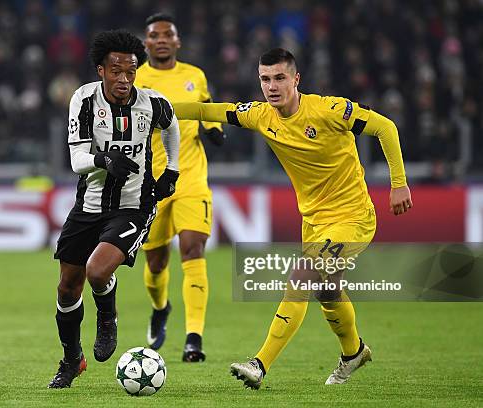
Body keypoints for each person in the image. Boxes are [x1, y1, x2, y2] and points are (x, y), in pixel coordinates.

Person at [173, 48, 413, 388]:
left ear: (296, 79)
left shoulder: (330, 110)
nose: (272, 86)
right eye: (265, 79)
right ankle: (354, 352)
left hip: (353, 217)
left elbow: (385, 128)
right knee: (328, 292)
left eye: (279, 78)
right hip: (314, 221)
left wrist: (399, 184)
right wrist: (161, 108)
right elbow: (204, 109)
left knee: (302, 278)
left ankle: (259, 363)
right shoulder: (260, 115)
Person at [48, 29, 181, 388]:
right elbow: (77, 159)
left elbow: (172, 126)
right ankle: (72, 360)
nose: (124, 79)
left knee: (97, 270)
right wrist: (105, 159)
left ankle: (107, 319)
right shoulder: (84, 99)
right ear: (101, 71)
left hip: (133, 206)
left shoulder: (152, 102)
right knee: (66, 289)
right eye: (116, 71)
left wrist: (172, 169)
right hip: (89, 205)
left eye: (131, 71)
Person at [134, 13, 225, 362]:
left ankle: (194, 339)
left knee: (192, 250)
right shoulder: (137, 79)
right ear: (146, 44)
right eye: (154, 35)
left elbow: (206, 108)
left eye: (166, 34)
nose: (160, 39)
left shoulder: (194, 75)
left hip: (191, 178)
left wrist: (214, 129)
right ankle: (160, 307)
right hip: (151, 183)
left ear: (177, 42)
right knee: (156, 262)